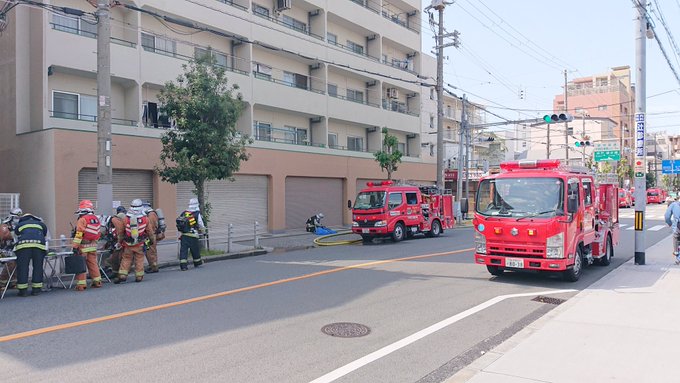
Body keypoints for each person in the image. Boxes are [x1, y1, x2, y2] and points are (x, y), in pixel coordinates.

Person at [114, 199, 152, 283]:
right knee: (139, 259)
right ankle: (139, 276)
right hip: (140, 244)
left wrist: (119, 242)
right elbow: (150, 232)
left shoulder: (125, 219)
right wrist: (151, 241)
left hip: (128, 244)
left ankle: (123, 275)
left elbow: (121, 232)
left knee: (126, 259)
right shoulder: (145, 219)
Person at [13, 212, 49, 296]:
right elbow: (45, 233)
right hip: (39, 247)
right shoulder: (41, 224)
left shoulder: (20, 224)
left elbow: (17, 235)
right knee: (38, 267)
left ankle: (23, 291)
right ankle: (36, 289)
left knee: (23, 268)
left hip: (23, 247)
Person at [72, 200, 103, 291]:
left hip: (83, 246)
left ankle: (81, 285)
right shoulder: (96, 219)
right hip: (93, 245)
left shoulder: (82, 219)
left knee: (81, 265)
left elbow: (79, 234)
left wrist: (75, 246)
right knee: (93, 264)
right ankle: (97, 282)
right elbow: (98, 232)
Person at [176, 198, 205, 271]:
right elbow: (200, 224)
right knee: (195, 250)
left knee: (183, 251)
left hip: (184, 235)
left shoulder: (184, 212)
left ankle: (183, 266)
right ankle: (197, 262)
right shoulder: (196, 214)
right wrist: (203, 232)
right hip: (193, 235)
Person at [0, 207, 22, 290]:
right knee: (11, 262)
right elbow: (3, 236)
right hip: (5, 249)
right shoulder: (5, 225)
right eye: (16, 217)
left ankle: (13, 282)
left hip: (16, 247)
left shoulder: (21, 224)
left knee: (19, 261)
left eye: (19, 217)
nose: (18, 219)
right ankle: (2, 282)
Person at [103, 206, 127, 278]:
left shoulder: (115, 220)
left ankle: (119, 273)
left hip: (121, 242)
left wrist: (118, 243)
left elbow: (119, 233)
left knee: (116, 258)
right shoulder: (124, 219)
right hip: (122, 242)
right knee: (117, 258)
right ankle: (117, 272)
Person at [142, 201, 161, 273]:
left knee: (151, 252)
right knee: (149, 251)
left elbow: (151, 227)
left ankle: (154, 267)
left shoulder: (151, 215)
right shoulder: (150, 214)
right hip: (149, 236)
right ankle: (152, 266)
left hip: (151, 236)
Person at [665, 197, 680, 264]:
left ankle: (678, 257)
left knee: (676, 239)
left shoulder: (674, 205)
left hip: (677, 227)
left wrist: (669, 223)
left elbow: (667, 216)